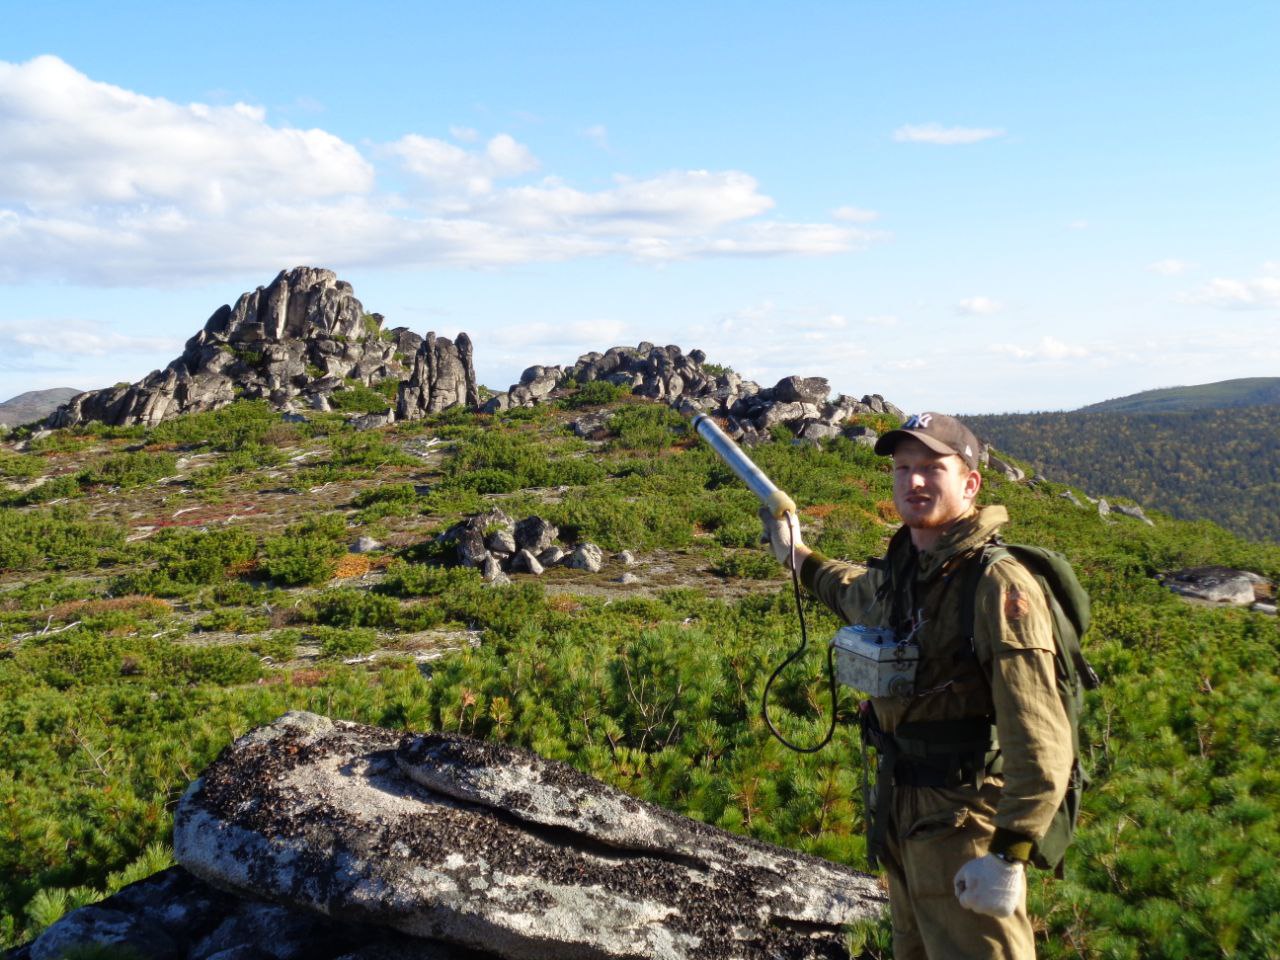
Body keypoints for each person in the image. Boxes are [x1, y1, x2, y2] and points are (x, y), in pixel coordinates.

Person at [761, 412, 1072, 960]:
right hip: (903, 810)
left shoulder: (996, 583)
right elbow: (854, 592)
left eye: (932, 468)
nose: (914, 482)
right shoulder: (911, 569)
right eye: (903, 469)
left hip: (964, 819)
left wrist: (1008, 853)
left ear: (970, 483)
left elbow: (1040, 734)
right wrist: (798, 556)